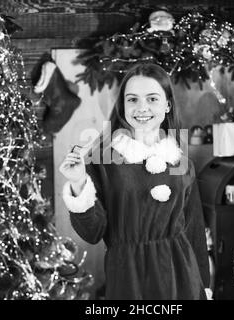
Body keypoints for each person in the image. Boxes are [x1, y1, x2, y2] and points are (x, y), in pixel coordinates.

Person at [59, 63, 210, 300]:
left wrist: (204, 286)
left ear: (167, 104)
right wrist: (79, 182)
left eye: (152, 99)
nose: (142, 108)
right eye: (132, 99)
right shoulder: (102, 160)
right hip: (129, 277)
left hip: (183, 277)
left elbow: (194, 230)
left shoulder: (181, 161)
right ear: (123, 106)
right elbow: (92, 232)